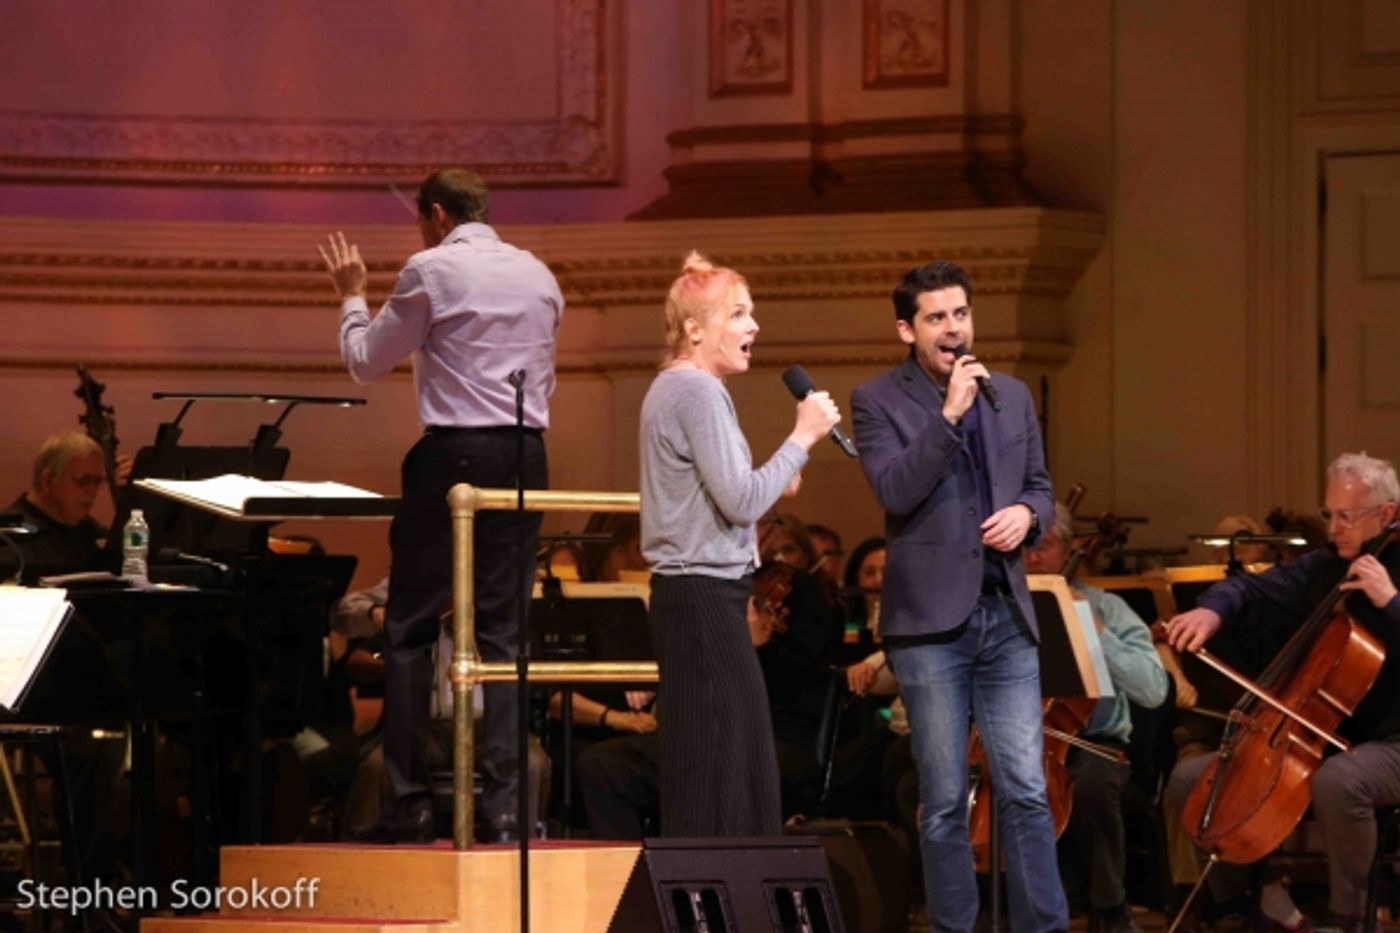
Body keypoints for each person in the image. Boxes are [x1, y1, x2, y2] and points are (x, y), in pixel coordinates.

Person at [319, 168, 563, 843]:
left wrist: (351, 296)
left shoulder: (431, 268)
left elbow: (366, 360)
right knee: (506, 633)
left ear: (432, 213)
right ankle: (507, 805)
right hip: (526, 455)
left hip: (455, 452)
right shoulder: (540, 274)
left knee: (408, 629)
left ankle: (410, 803)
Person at [850, 260, 1063, 932]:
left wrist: (1030, 516)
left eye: (961, 314)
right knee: (944, 797)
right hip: (930, 628)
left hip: (1006, 613)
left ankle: (1044, 927)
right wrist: (948, 416)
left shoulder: (1013, 395)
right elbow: (894, 489)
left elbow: (1041, 487)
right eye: (936, 317)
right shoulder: (877, 399)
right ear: (906, 329)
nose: (952, 328)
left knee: (1027, 788)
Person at [639, 251, 839, 837]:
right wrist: (802, 436)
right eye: (739, 313)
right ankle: (716, 902)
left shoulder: (678, 389)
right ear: (696, 329)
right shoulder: (696, 392)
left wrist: (780, 468)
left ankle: (715, 898)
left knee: (722, 758)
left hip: (697, 596)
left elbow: (731, 492)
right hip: (702, 597)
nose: (754, 327)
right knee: (723, 763)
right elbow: (743, 501)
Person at [1164, 452, 1400, 933]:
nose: (1334, 527)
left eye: (1347, 516)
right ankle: (1247, 903)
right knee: (1192, 779)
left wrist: (1391, 601)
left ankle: (1350, 918)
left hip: (1391, 742)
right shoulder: (1324, 568)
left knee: (1340, 781)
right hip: (1322, 739)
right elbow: (1247, 589)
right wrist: (1211, 613)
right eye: (1329, 514)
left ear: (1388, 514)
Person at [1025, 503, 1169, 933]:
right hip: (1021, 740)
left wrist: (1092, 627)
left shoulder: (1107, 608)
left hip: (1095, 741)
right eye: (1025, 546)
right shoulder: (1001, 608)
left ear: (1070, 550)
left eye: (1045, 546)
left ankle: (1110, 909)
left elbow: (1153, 689)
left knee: (1087, 786)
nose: (1033, 558)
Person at [3, 431, 113, 582]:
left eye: (97, 482)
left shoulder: (87, 529)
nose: (93, 491)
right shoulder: (9, 540)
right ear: (47, 480)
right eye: (82, 480)